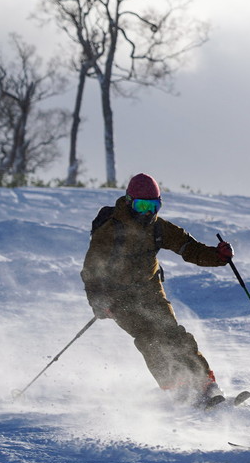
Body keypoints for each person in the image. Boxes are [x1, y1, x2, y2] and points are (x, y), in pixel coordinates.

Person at [81, 172, 236, 407]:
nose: (147, 212)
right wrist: (98, 300)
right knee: (149, 338)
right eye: (142, 205)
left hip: (149, 290)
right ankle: (177, 389)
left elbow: (189, 248)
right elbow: (92, 269)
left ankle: (205, 384)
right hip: (118, 297)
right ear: (129, 202)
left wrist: (218, 256)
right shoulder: (111, 229)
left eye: (153, 206)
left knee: (174, 335)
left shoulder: (158, 227)